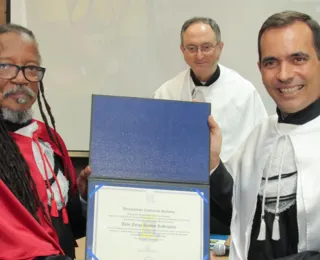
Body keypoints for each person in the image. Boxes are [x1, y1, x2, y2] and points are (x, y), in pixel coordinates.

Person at [209, 10, 320, 260]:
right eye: (271, 62)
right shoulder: (261, 134)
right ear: (260, 69)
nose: (284, 75)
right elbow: (237, 212)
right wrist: (213, 163)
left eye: (298, 59)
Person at [0, 24, 91, 260]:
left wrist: (83, 197)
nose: (21, 79)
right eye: (6, 66)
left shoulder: (48, 140)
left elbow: (65, 226)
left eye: (30, 68)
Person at [153, 16, 268, 163]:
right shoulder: (166, 93)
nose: (199, 55)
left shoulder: (244, 92)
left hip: (231, 180)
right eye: (192, 48)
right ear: (183, 50)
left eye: (206, 47)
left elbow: (262, 145)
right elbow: (156, 146)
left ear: (220, 48)